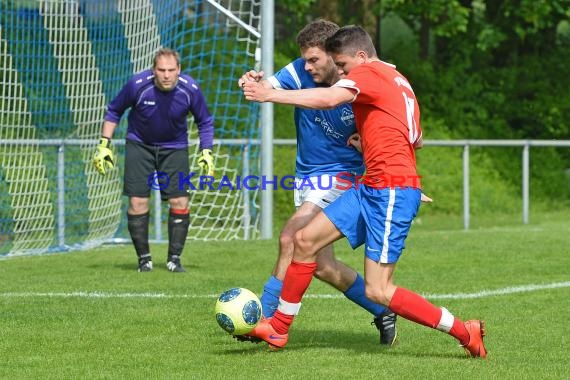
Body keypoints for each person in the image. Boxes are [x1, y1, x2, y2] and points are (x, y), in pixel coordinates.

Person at [241, 25, 487, 358]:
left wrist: (269, 95)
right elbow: (416, 138)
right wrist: (368, 143)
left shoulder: (370, 72)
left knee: (379, 289)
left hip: (390, 190)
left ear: (360, 56)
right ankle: (278, 328)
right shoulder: (397, 80)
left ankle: (464, 331)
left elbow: (329, 98)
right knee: (303, 240)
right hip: (372, 184)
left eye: (342, 66)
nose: (340, 73)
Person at [237, 19, 398, 345]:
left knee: (290, 237)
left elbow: (385, 135)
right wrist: (252, 82)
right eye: (305, 59)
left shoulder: (356, 85)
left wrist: (368, 148)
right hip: (307, 179)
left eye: (315, 60)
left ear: (334, 56)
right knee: (322, 266)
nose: (306, 66)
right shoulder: (299, 72)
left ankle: (267, 320)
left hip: (341, 176)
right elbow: (267, 86)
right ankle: (382, 311)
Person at [93, 47, 215, 273]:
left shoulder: (190, 89)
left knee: (180, 202)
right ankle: (144, 259)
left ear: (179, 70)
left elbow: (205, 121)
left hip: (175, 148)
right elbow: (114, 111)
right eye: (161, 70)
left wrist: (206, 151)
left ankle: (174, 259)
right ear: (154, 70)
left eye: (171, 70)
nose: (166, 75)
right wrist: (104, 144)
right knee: (137, 202)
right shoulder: (137, 84)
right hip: (140, 145)